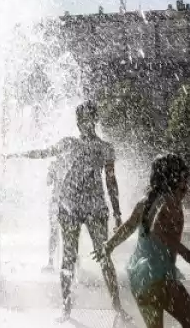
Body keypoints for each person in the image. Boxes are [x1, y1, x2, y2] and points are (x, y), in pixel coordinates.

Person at [95, 153, 190, 328]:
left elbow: (127, 228)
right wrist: (187, 254)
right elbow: (158, 229)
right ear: (175, 177)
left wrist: (108, 246)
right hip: (159, 277)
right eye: (184, 177)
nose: (187, 185)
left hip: (140, 276)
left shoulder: (147, 200)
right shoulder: (168, 200)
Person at [9, 101, 122, 316]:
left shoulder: (105, 148)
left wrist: (117, 213)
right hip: (69, 207)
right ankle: (66, 305)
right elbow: (43, 153)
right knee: (69, 256)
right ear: (77, 122)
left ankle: (117, 306)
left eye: (88, 119)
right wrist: (17, 155)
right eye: (81, 120)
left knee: (105, 256)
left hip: (96, 207)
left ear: (95, 121)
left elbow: (111, 181)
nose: (84, 124)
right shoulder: (69, 143)